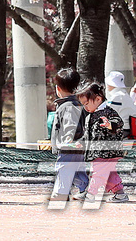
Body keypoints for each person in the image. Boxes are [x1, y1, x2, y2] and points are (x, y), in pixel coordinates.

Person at [78, 81, 129, 204]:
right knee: (108, 174)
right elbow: (88, 134)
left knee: (98, 173)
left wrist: (109, 124)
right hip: (97, 152)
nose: (85, 107)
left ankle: (91, 194)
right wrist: (81, 142)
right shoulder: (90, 116)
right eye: (83, 105)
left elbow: (119, 123)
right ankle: (120, 193)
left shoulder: (108, 112)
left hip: (107, 151)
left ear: (98, 99)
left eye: (86, 103)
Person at [48, 67, 88, 203]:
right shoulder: (74, 104)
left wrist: (66, 141)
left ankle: (61, 193)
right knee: (77, 169)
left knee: (64, 168)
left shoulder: (68, 106)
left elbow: (70, 125)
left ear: (58, 88)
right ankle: (86, 188)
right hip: (76, 145)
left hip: (68, 146)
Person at [105, 70, 136, 138]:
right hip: (128, 129)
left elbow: (107, 112)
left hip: (121, 130)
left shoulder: (117, 97)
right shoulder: (124, 95)